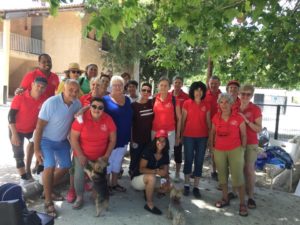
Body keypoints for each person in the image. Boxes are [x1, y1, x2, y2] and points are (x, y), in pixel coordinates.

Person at [34, 79, 81, 217]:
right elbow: (39, 126)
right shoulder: (51, 103)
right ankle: (48, 201)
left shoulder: (77, 103)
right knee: (50, 166)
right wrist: (37, 150)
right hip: (46, 140)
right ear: (63, 90)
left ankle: (47, 189)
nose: (73, 93)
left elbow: (75, 122)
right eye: (70, 90)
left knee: (66, 166)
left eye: (76, 91)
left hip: (61, 142)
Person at [70, 97, 116, 209]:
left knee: (99, 178)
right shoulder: (81, 119)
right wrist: (80, 155)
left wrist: (106, 156)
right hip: (82, 154)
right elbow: (73, 138)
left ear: (104, 109)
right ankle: (79, 197)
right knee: (79, 176)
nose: (97, 109)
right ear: (89, 107)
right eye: (94, 106)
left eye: (100, 107)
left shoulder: (108, 119)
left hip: (100, 157)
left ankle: (95, 194)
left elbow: (113, 140)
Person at [210, 93, 248, 217]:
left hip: (235, 150)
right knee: (222, 176)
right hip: (219, 150)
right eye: (222, 102)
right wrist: (212, 148)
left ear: (232, 104)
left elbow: (243, 134)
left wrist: (242, 149)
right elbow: (212, 133)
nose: (224, 105)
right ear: (219, 104)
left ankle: (242, 204)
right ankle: (225, 198)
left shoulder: (238, 118)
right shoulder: (216, 117)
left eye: (227, 102)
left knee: (238, 177)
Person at [8, 77, 48, 185]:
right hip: (16, 129)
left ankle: (39, 173)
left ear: (45, 89)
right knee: (18, 154)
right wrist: (14, 134)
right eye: (37, 85)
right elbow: (10, 116)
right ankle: (24, 178)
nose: (39, 88)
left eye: (42, 87)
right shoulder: (20, 96)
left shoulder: (45, 99)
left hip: (32, 130)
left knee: (41, 149)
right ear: (32, 85)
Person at [103, 75, 133, 192]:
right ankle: (105, 186)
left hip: (124, 136)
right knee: (108, 162)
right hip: (110, 138)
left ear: (123, 86)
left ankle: (114, 183)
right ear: (111, 86)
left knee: (118, 160)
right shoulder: (105, 100)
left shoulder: (127, 100)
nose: (117, 87)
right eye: (115, 85)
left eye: (120, 85)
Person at [181, 81, 211, 199]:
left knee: (199, 161)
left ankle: (196, 187)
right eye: (196, 90)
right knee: (188, 159)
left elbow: (208, 123)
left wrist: (210, 138)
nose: (198, 92)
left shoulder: (207, 104)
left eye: (200, 90)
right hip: (188, 136)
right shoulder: (187, 103)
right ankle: (187, 185)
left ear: (203, 92)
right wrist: (180, 135)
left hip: (202, 138)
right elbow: (183, 121)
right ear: (192, 91)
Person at [131, 130, 170, 215]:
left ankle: (148, 190)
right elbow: (141, 169)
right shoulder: (148, 150)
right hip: (137, 179)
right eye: (159, 140)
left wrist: (165, 181)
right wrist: (156, 171)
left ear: (166, 142)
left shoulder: (165, 154)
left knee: (168, 185)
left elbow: (165, 172)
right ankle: (149, 204)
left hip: (149, 178)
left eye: (164, 141)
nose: (161, 143)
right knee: (151, 178)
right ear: (155, 140)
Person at [239, 84, 262, 209]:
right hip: (236, 142)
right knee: (238, 169)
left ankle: (251, 196)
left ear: (252, 95)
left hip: (251, 142)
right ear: (239, 94)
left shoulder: (255, 109)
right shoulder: (234, 106)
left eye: (248, 94)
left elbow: (258, 128)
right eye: (243, 93)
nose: (245, 96)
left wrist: (246, 121)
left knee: (249, 169)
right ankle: (240, 192)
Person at [152, 76, 181, 164]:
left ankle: (164, 174)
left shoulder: (174, 99)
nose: (163, 87)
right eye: (161, 85)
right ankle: (154, 172)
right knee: (154, 152)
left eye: (166, 85)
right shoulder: (153, 99)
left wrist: (178, 135)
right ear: (158, 86)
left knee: (167, 154)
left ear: (169, 87)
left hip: (170, 132)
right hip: (155, 131)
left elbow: (179, 118)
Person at [129, 83, 154, 176]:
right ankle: (133, 176)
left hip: (148, 139)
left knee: (145, 159)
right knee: (134, 160)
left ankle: (142, 178)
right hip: (136, 139)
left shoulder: (152, 103)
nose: (146, 92)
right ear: (140, 91)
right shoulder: (133, 106)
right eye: (144, 90)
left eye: (148, 91)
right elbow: (130, 125)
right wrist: (131, 140)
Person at [170, 75, 189, 181]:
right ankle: (164, 170)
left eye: (179, 82)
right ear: (172, 84)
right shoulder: (168, 95)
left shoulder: (186, 97)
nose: (177, 84)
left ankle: (177, 173)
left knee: (177, 150)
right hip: (168, 126)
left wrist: (181, 132)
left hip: (180, 127)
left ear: (182, 84)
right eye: (175, 82)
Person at [205, 76, 222, 180]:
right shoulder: (204, 95)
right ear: (208, 84)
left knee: (216, 151)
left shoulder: (223, 96)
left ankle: (215, 171)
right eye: (212, 83)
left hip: (218, 129)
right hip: (205, 127)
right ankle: (197, 170)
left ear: (219, 84)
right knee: (202, 149)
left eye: (216, 83)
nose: (214, 85)